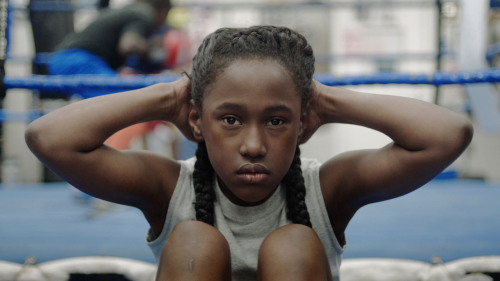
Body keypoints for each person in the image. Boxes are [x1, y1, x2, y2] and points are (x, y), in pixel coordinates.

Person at [25, 26, 473, 281]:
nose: (254, 145)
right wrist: (168, 96)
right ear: (198, 121)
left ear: (302, 123)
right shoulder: (167, 187)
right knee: (193, 240)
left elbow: (448, 133)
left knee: (294, 243)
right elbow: (49, 138)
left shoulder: (327, 189)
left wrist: (326, 100)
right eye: (230, 119)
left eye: (277, 121)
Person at [47, 0, 172, 99]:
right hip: (79, 59)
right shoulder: (144, 12)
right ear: (163, 12)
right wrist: (152, 49)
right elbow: (129, 45)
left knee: (107, 105)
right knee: (122, 101)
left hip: (66, 59)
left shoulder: (127, 10)